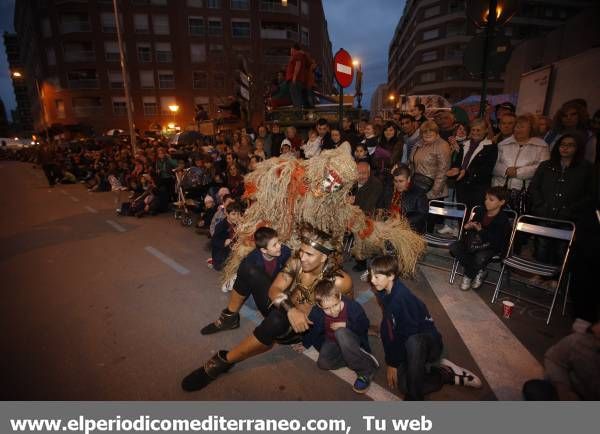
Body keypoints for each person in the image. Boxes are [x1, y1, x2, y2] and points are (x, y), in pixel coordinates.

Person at [181, 226, 353, 392]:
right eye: (302, 251)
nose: (302, 257)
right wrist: (291, 309)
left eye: (309, 254)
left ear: (323, 257)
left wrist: (314, 340)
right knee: (249, 268)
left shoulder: (339, 281)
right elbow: (274, 290)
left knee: (276, 320)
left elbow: (349, 313)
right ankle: (229, 318)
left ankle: (224, 361)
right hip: (285, 309)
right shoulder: (296, 262)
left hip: (302, 328)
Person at [369, 255, 482, 401]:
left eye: (377, 277)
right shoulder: (384, 290)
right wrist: (392, 362)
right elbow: (389, 326)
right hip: (409, 345)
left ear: (391, 276)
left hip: (427, 344)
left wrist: (393, 362)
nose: (372, 280)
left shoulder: (401, 299)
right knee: (404, 386)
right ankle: (445, 373)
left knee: (413, 342)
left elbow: (406, 335)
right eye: (371, 275)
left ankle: (415, 399)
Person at [201, 227, 292, 334]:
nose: (279, 246)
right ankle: (229, 317)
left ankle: (235, 281)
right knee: (251, 299)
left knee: (257, 305)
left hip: (273, 288)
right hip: (257, 288)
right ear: (263, 250)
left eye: (278, 242)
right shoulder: (252, 259)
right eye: (275, 245)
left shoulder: (285, 252)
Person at [302, 279, 379, 394]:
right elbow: (312, 328)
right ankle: (358, 357)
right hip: (332, 341)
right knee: (323, 364)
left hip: (351, 338)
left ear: (339, 296)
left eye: (335, 305)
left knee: (340, 332)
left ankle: (365, 370)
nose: (333, 311)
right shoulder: (317, 311)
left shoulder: (353, 307)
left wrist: (346, 324)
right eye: (327, 308)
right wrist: (305, 343)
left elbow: (364, 325)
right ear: (319, 305)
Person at [449, 186, 511, 291]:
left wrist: (480, 231)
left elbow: (496, 242)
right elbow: (471, 230)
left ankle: (468, 275)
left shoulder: (503, 219)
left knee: (479, 257)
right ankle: (479, 270)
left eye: (491, 200)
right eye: (486, 199)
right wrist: (468, 226)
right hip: (474, 243)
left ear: (501, 202)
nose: (487, 202)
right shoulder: (481, 211)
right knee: (454, 247)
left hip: (490, 246)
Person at [522, 321, 600, 400]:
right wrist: (564, 391)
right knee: (533, 389)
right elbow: (554, 359)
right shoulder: (581, 341)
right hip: (569, 388)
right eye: (594, 336)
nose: (595, 343)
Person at [492, 114, 550, 212]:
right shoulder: (503, 144)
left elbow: (542, 168)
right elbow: (493, 163)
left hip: (524, 193)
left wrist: (519, 172)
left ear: (531, 128)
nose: (518, 129)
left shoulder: (541, 146)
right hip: (500, 191)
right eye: (517, 126)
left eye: (522, 127)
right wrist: (506, 170)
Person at [449, 118, 498, 211]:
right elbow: (458, 162)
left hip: (478, 189)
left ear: (486, 130)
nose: (475, 132)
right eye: (473, 130)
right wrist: (455, 169)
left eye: (478, 130)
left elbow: (486, 169)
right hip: (461, 186)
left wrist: (466, 173)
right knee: (461, 214)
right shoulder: (464, 145)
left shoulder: (491, 147)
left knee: (474, 216)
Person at [379, 164, 428, 233]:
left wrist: (402, 221)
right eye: (395, 181)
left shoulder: (419, 193)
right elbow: (381, 204)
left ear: (408, 179)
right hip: (389, 223)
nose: (398, 184)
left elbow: (422, 215)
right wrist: (380, 215)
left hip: (409, 228)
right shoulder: (389, 188)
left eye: (401, 181)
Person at [409, 120, 451, 200]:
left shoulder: (442, 145)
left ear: (436, 132)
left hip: (432, 191)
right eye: (425, 131)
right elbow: (411, 164)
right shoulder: (418, 144)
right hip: (418, 187)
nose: (428, 133)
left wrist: (433, 193)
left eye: (431, 131)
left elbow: (443, 171)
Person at [211, 201, 242, 272]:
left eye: (238, 214)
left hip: (232, 252)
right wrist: (224, 242)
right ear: (227, 214)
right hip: (221, 257)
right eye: (233, 214)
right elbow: (214, 240)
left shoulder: (238, 224)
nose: (236, 217)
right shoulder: (221, 226)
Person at [285, 43, 307, 108]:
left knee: (296, 98)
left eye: (291, 49)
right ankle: (298, 113)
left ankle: (298, 114)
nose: (290, 51)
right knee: (296, 98)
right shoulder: (299, 55)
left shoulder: (297, 55)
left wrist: (294, 77)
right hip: (296, 80)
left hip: (294, 80)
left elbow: (298, 65)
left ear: (294, 49)